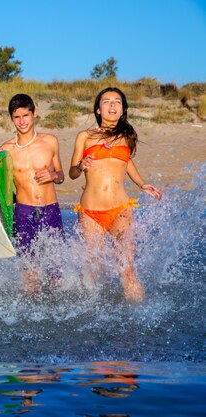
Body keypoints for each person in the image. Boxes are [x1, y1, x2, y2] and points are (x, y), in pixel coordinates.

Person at [69, 87, 162, 303]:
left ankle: (138, 319)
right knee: (94, 269)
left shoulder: (126, 137)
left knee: (127, 269)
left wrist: (142, 183)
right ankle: (89, 317)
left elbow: (126, 162)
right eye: (106, 101)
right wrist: (81, 165)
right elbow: (72, 173)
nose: (112, 105)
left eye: (117, 101)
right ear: (98, 110)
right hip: (90, 213)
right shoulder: (85, 136)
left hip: (121, 209)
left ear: (122, 109)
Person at [0, 94, 65, 295]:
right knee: (30, 269)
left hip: (50, 210)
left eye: (26, 115)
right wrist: (0, 222)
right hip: (23, 213)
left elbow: (61, 176)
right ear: (11, 118)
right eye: (16, 117)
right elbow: (0, 191)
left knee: (55, 270)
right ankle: (30, 311)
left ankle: (54, 309)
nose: (22, 121)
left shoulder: (50, 141)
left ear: (34, 113)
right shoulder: (5, 151)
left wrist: (52, 175)